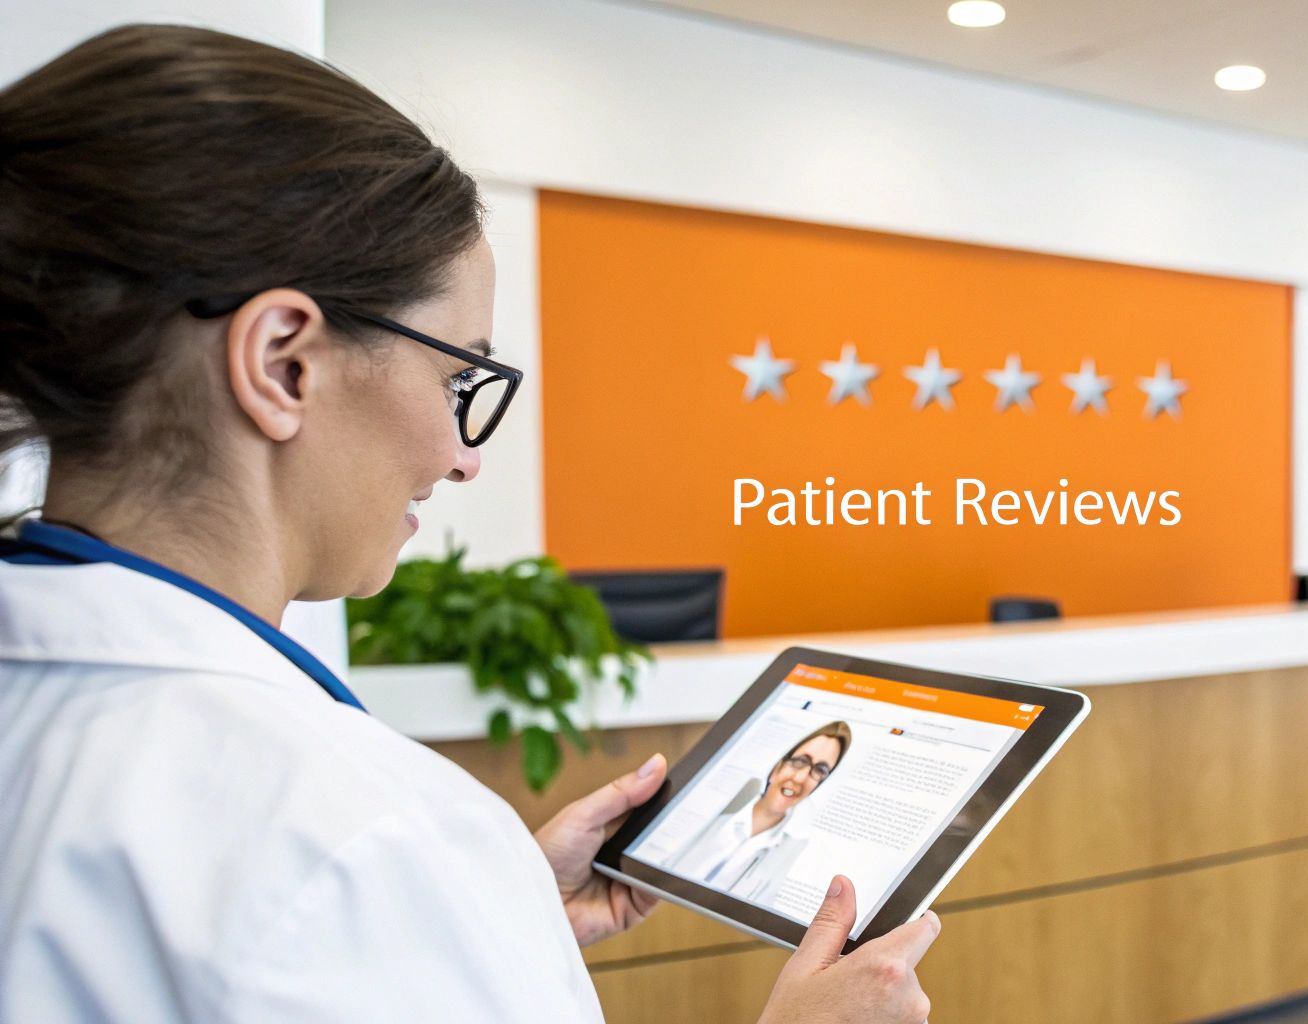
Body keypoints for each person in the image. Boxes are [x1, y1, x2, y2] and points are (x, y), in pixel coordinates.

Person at [0, 25, 936, 1023]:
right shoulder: (362, 834)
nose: (463, 456)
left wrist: (483, 919)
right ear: (283, 363)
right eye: (458, 379)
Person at [669, 723, 852, 903]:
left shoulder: (796, 856)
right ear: (777, 767)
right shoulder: (708, 814)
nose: (800, 778)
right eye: (800, 761)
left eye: (819, 770)